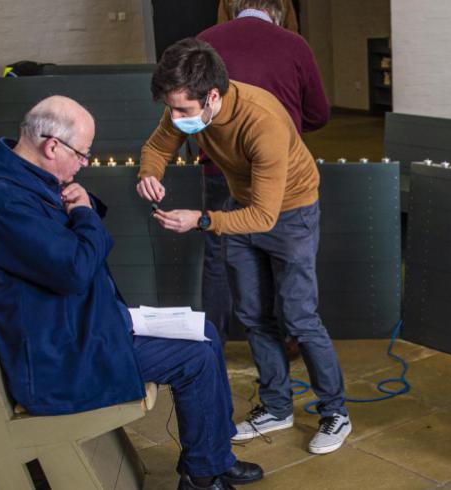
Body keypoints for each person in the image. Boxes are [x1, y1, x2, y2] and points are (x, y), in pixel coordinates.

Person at [0, 96, 262, 490]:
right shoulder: (1, 199)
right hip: (60, 357)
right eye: (82, 154)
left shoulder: (21, 180)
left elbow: (68, 258)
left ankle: (215, 456)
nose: (84, 164)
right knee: (196, 356)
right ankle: (202, 478)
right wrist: (83, 213)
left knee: (204, 331)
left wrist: (82, 210)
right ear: (52, 146)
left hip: (77, 326)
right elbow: (74, 270)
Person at [137, 38, 351, 455]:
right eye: (171, 109)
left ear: (212, 96)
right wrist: (151, 172)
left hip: (291, 213)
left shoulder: (262, 120)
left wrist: (200, 220)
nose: (176, 118)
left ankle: (335, 411)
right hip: (242, 205)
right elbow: (157, 146)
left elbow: (264, 218)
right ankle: (276, 406)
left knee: (299, 317)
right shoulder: (185, 105)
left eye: (183, 110)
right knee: (253, 314)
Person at [194, 0, 330, 343]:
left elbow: (191, 111)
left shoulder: (204, 42)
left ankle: (214, 340)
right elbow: (319, 113)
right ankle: (289, 338)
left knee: (217, 255)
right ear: (279, 8)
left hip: (221, 169)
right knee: (284, 253)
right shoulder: (293, 44)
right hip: (279, 171)